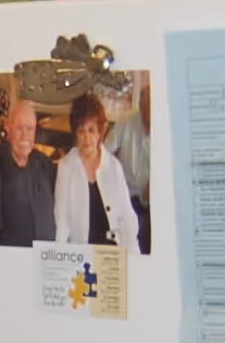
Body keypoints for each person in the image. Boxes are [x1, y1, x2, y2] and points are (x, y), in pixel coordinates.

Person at [55, 90, 138, 249]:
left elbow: (127, 218)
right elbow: (61, 220)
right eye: (81, 131)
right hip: (80, 252)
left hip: (112, 252)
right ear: (75, 134)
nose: (87, 138)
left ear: (100, 132)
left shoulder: (114, 167)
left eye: (91, 130)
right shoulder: (65, 167)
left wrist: (134, 258)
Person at [0, 96, 55, 246]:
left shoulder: (45, 165)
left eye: (29, 129)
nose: (25, 135)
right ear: (8, 129)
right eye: (19, 128)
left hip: (46, 260)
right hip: (14, 263)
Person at [109, 78, 152, 254]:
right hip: (130, 197)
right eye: (146, 114)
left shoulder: (171, 126)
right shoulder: (126, 122)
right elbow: (104, 154)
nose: (149, 124)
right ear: (140, 108)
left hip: (160, 201)